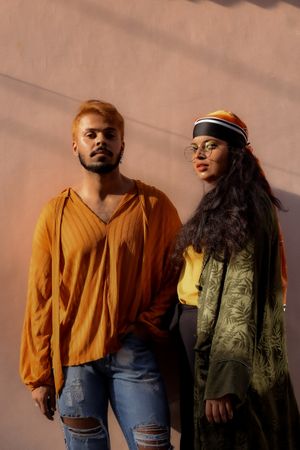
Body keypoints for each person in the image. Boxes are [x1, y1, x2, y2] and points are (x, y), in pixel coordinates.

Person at [20, 99, 181, 450]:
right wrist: (39, 375)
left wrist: (146, 322)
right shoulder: (56, 213)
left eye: (110, 134)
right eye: (90, 134)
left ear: (122, 143)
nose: (100, 141)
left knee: (154, 445)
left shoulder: (153, 206)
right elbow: (41, 296)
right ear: (75, 143)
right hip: (74, 358)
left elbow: (178, 272)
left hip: (134, 353)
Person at [172, 110, 300, 449]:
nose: (199, 155)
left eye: (211, 146)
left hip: (218, 344)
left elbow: (239, 298)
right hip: (196, 334)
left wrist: (225, 382)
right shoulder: (221, 201)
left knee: (225, 436)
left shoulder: (243, 206)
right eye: (195, 147)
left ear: (236, 152)